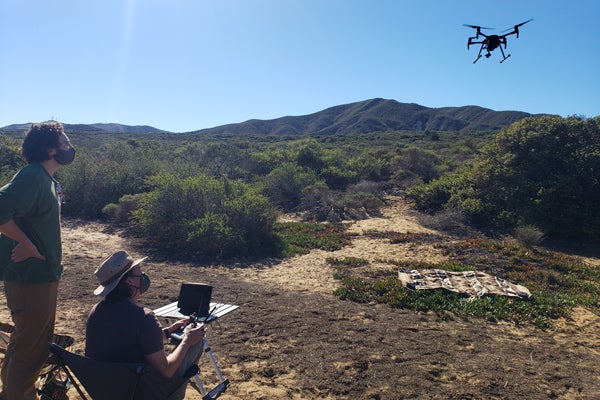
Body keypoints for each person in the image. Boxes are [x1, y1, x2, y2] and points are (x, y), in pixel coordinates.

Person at [0, 121, 75, 400]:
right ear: (50, 149)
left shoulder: (45, 178)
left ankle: (10, 393)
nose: (70, 147)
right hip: (31, 276)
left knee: (25, 342)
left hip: (39, 275)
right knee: (33, 348)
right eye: (65, 142)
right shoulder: (32, 176)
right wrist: (26, 244)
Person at [85, 250, 206, 399]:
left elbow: (126, 342)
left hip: (108, 391)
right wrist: (187, 339)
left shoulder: (96, 312)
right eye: (139, 272)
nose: (143, 276)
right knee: (196, 341)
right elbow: (165, 371)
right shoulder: (144, 317)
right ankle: (175, 394)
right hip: (143, 392)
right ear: (129, 281)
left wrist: (167, 332)